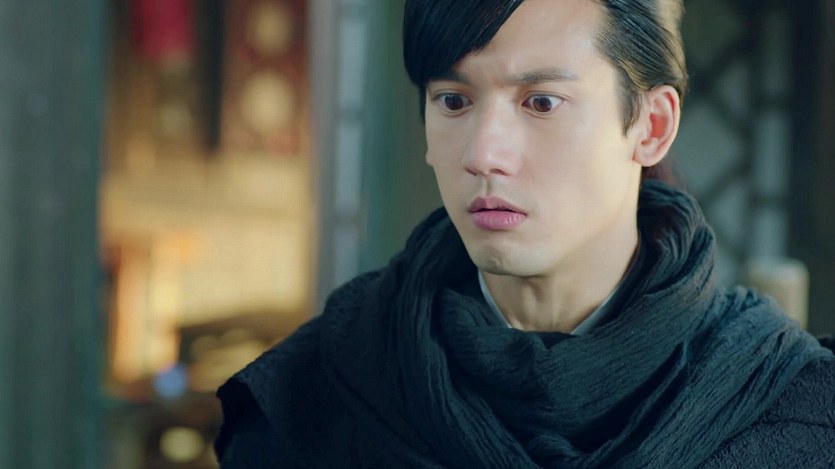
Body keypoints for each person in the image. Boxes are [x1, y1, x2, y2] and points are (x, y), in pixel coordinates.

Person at [214, 0, 835, 467]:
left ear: (651, 126)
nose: (484, 154)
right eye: (453, 101)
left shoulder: (794, 408)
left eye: (541, 102)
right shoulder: (311, 398)